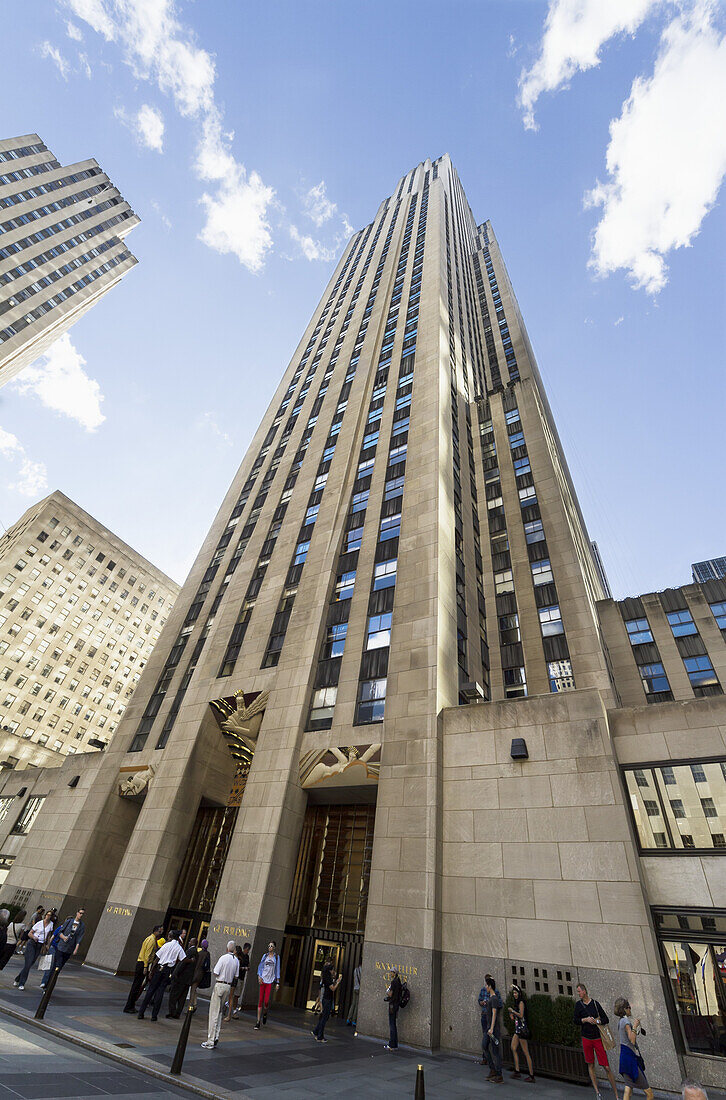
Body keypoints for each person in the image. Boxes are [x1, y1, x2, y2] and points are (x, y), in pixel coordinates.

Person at [574, 983, 619, 1099]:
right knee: (590, 1064)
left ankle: (616, 1094)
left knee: (606, 1066)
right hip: (586, 1038)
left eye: (579, 991)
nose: (578, 993)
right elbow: (575, 1020)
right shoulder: (578, 1005)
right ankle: (597, 1092)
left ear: (584, 991)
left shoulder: (595, 1004)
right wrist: (585, 1020)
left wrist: (596, 1021)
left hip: (597, 1038)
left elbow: (605, 1019)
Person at [137, 929, 185, 1021]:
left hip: (159, 969)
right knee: (160, 992)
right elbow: (183, 958)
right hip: (168, 970)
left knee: (151, 990)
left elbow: (157, 959)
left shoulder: (166, 945)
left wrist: (151, 971)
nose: (168, 936)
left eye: (169, 934)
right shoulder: (178, 947)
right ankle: (154, 1016)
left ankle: (141, 1013)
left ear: (171, 936)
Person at [614, 997, 654, 1100]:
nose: (630, 1009)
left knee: (628, 1089)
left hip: (624, 1058)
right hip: (630, 1059)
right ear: (625, 1009)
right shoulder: (626, 1023)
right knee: (649, 1093)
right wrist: (635, 1026)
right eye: (629, 1007)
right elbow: (632, 1039)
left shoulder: (621, 1021)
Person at [201, 941, 239, 1050]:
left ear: (227, 948)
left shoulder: (223, 958)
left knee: (214, 1012)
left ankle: (210, 1040)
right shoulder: (236, 960)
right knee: (219, 1011)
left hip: (220, 984)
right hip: (228, 986)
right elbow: (236, 976)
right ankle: (216, 1036)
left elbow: (216, 972)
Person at [40, 907, 85, 988]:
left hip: (69, 949)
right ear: (77, 913)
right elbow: (59, 931)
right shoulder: (69, 922)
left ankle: (50, 984)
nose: (81, 915)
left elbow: (79, 938)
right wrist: (63, 937)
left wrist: (76, 948)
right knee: (56, 966)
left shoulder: (82, 925)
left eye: (82, 914)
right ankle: (46, 984)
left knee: (59, 968)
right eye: (80, 913)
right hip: (60, 947)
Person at [123, 924, 163, 1013]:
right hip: (142, 964)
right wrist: (145, 967)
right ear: (156, 931)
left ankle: (130, 1006)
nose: (161, 933)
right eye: (160, 931)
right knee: (136, 986)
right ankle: (129, 1007)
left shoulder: (149, 938)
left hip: (141, 963)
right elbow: (147, 955)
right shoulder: (152, 940)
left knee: (136, 986)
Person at [14, 908, 55, 990]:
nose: (48, 916)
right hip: (32, 943)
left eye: (50, 915)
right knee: (28, 963)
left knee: (30, 964)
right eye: (47, 915)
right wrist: (34, 937)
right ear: (45, 915)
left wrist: (47, 944)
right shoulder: (39, 923)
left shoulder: (51, 924)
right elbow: (30, 933)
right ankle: (22, 983)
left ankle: (17, 978)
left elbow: (49, 935)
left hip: (40, 945)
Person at [509, 983, 535, 1082]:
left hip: (522, 1029)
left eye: (516, 993)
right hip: (517, 1029)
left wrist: (513, 1011)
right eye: (513, 993)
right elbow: (517, 1016)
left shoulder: (521, 1002)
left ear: (519, 993)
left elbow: (521, 1015)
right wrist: (512, 1015)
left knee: (526, 1052)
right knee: (513, 1047)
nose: (514, 994)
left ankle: (531, 1075)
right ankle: (517, 1070)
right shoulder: (517, 1003)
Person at [312, 956, 342, 1043]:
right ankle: (320, 1036)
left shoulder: (327, 978)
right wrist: (338, 982)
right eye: (333, 970)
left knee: (324, 1018)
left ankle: (316, 1032)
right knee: (324, 1018)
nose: (334, 971)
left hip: (327, 998)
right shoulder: (327, 979)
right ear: (330, 970)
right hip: (327, 999)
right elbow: (332, 988)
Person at [167, 937, 198, 1018]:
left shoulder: (190, 951)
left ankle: (172, 1012)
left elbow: (183, 963)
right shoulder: (196, 952)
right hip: (188, 979)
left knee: (174, 995)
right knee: (182, 998)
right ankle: (178, 1013)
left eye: (190, 941)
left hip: (181, 978)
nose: (188, 942)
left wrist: (176, 973)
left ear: (193, 943)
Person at [254, 941, 280, 1030]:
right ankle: (258, 1021)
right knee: (260, 1000)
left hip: (270, 981)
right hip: (263, 980)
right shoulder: (264, 956)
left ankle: (265, 1013)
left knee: (266, 1001)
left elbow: (277, 969)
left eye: (271, 946)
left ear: (274, 947)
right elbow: (260, 966)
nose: (270, 947)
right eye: (269, 946)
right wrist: (259, 976)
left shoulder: (276, 957)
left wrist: (277, 982)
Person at [481, 975, 503, 1083]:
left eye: (486, 985)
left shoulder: (494, 998)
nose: (485, 987)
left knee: (495, 1051)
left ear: (490, 986)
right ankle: (492, 1069)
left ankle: (499, 1074)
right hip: (488, 1028)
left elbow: (495, 1013)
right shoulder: (490, 998)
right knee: (484, 1046)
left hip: (492, 1029)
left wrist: (492, 1028)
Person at [384, 968, 402, 1051]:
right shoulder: (398, 981)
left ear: (394, 973)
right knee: (393, 1024)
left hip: (392, 1005)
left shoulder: (394, 982)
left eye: (391, 972)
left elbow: (390, 994)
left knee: (392, 1025)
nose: (390, 974)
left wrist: (387, 991)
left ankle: (391, 1044)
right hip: (396, 1005)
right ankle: (395, 1044)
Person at [189, 938, 211, 1009]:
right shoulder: (207, 954)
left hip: (195, 973)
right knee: (194, 989)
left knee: (192, 990)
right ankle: (194, 1003)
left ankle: (191, 1006)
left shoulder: (199, 953)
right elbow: (207, 966)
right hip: (201, 974)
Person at [477, 974, 493, 1065]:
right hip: (484, 1015)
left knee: (490, 1037)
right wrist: (482, 1002)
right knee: (485, 1036)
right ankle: (485, 1057)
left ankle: (490, 1058)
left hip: (490, 1016)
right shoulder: (483, 990)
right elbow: (479, 1000)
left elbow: (499, 1004)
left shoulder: (494, 992)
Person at [347, 961, 362, 1027]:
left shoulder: (355, 970)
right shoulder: (362, 971)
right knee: (357, 1005)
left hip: (355, 988)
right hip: (359, 989)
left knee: (353, 1004)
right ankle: (354, 1020)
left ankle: (348, 1019)